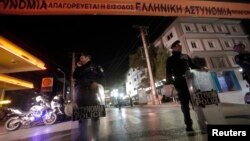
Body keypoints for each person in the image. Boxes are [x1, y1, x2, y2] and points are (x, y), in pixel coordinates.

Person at [166, 40, 207, 132]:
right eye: (177, 46)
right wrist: (171, 83)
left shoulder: (185, 56)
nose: (180, 46)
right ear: (173, 48)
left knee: (197, 103)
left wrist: (201, 67)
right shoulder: (170, 59)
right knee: (185, 105)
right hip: (180, 83)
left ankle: (203, 123)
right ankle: (189, 125)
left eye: (180, 45)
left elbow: (192, 66)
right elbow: (168, 73)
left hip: (191, 81)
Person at [73, 52, 104, 140]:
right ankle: (83, 137)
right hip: (80, 95)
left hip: (92, 93)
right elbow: (74, 76)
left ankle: (96, 137)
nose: (80, 59)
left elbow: (102, 76)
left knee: (95, 117)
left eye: (82, 57)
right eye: (80, 58)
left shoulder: (95, 66)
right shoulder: (79, 68)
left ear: (87, 57)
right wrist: (78, 67)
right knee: (82, 118)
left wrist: (96, 82)